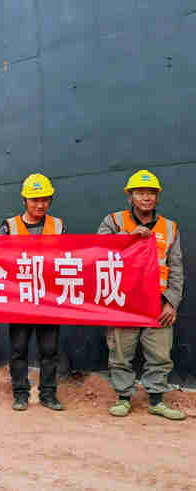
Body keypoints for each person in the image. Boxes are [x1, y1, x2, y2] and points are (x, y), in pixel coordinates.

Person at [97, 170, 185, 420]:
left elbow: (176, 268)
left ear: (157, 197)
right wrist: (129, 236)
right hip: (123, 301)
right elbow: (99, 248)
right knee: (120, 353)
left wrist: (171, 303)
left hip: (157, 302)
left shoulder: (170, 227)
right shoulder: (114, 221)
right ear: (130, 196)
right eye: (140, 193)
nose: (146, 197)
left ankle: (156, 401)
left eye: (151, 193)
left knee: (160, 354)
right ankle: (123, 398)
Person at [0, 173, 65, 411]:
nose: (40, 205)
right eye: (35, 200)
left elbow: (66, 257)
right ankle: (20, 394)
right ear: (24, 200)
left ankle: (48, 394)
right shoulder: (9, 226)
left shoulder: (58, 225)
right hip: (20, 299)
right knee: (19, 350)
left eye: (45, 200)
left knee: (49, 351)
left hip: (49, 299)